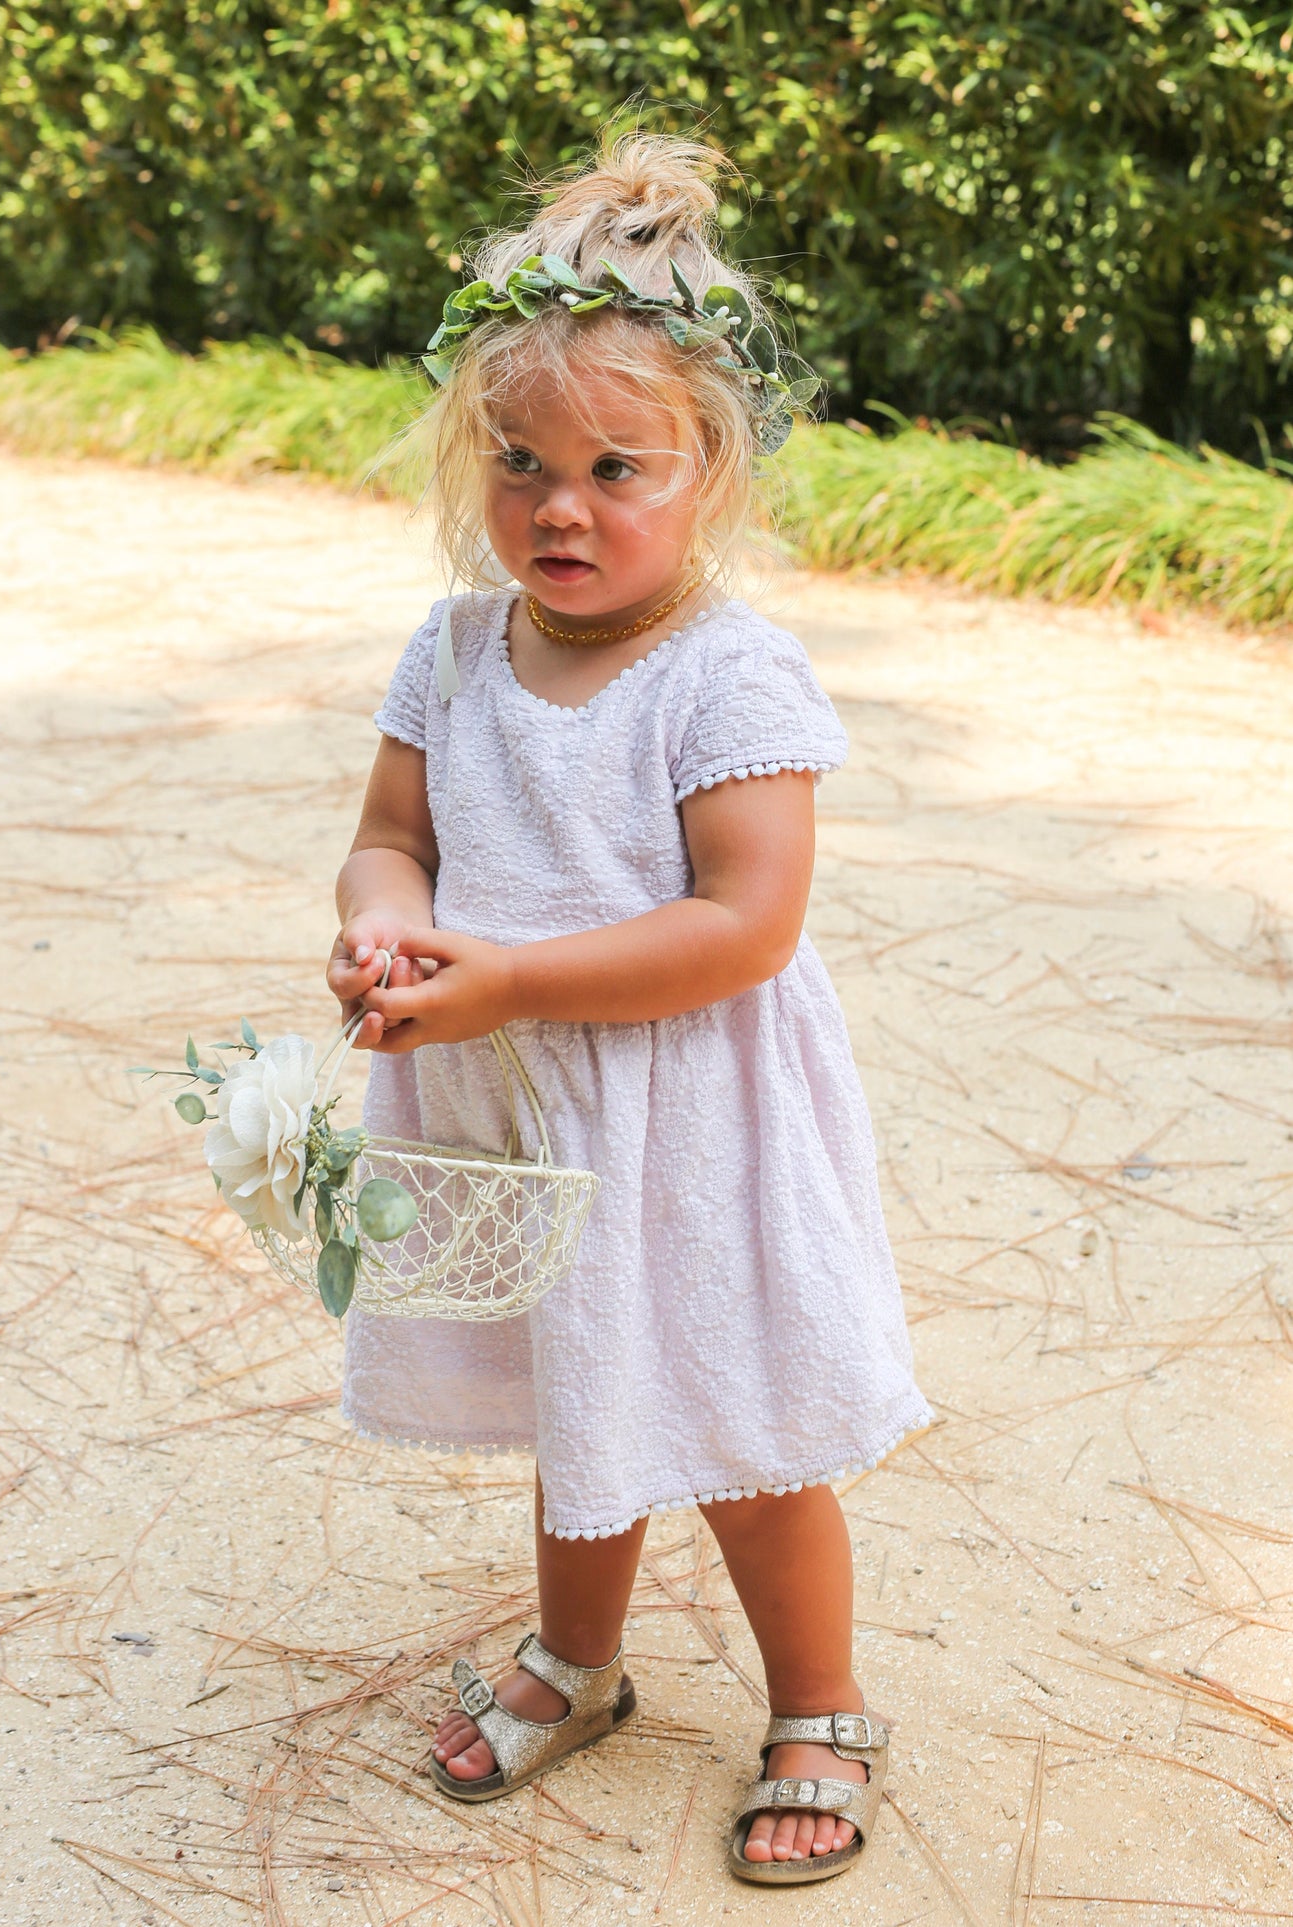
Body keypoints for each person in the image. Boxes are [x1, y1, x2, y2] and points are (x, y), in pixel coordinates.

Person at [326, 132, 931, 1886]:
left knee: (737, 1419)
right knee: (572, 1389)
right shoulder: (452, 652)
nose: (559, 506)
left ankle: (817, 1700)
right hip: (514, 1104)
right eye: (518, 463)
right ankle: (579, 1662)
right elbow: (386, 841)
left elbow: (743, 925)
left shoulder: (723, 671)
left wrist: (506, 976)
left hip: (690, 1122)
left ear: (713, 474)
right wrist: (388, 940)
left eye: (613, 466)